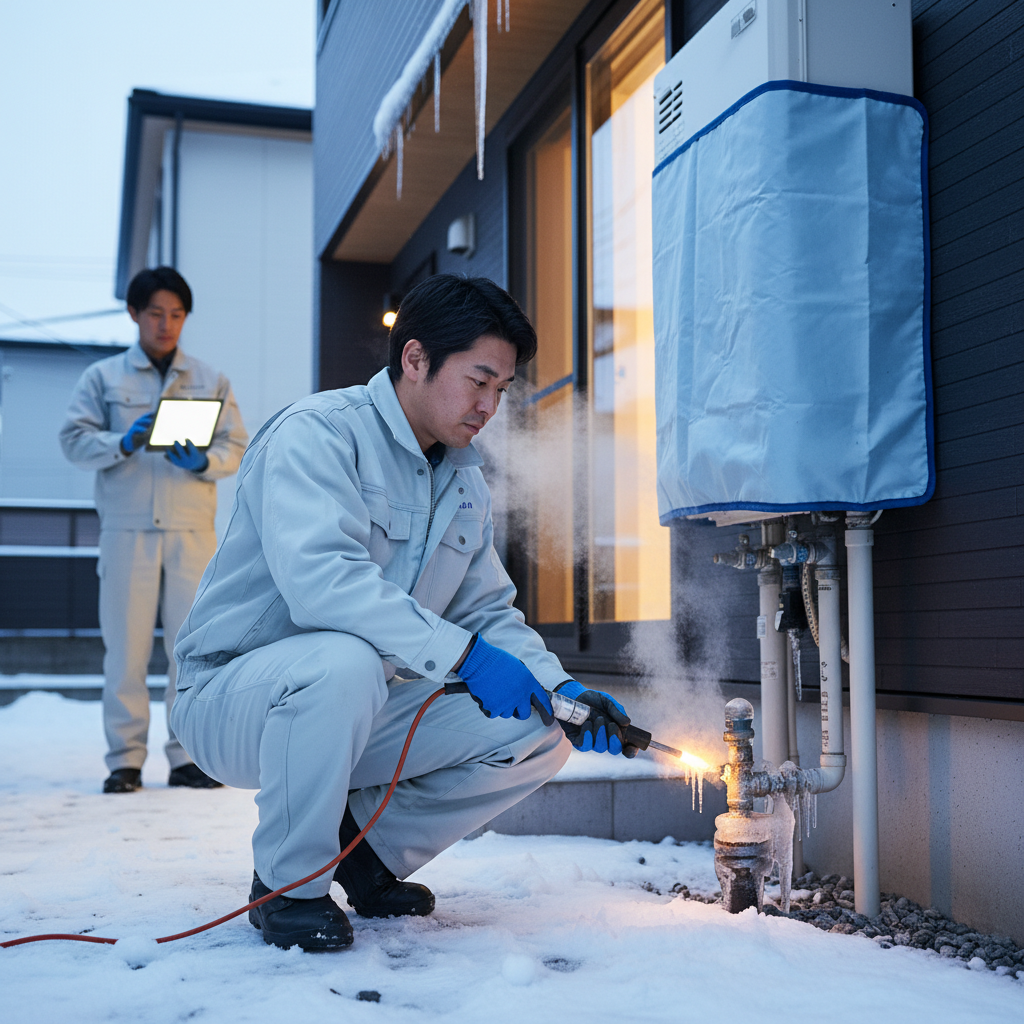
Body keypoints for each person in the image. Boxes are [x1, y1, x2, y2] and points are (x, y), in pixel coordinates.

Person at [171, 274, 636, 951]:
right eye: (479, 381)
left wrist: (560, 686)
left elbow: (487, 609)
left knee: (539, 724)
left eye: (501, 390)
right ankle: (287, 890)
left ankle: (367, 853)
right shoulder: (318, 435)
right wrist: (466, 659)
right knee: (343, 660)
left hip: (354, 705)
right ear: (414, 359)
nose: (490, 406)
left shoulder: (462, 478)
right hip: (233, 698)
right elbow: (324, 585)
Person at [60, 266, 248, 794]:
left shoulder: (211, 380)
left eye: (177, 314)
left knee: (191, 649)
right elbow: (72, 441)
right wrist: (121, 441)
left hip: (191, 532)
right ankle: (125, 760)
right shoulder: (103, 379)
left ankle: (187, 757)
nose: (166, 324)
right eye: (155, 313)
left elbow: (236, 446)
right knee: (125, 650)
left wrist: (203, 462)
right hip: (126, 533)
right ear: (134, 315)